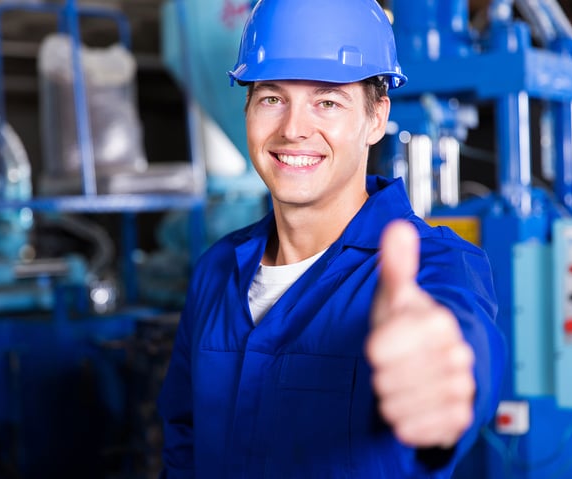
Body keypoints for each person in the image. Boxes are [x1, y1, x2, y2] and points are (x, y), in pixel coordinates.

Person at [158, 0, 506, 477]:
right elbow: (183, 439)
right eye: (272, 98)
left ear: (376, 119)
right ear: (247, 109)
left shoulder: (435, 264)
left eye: (327, 101)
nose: (294, 129)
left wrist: (448, 378)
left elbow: (465, 339)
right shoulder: (217, 269)